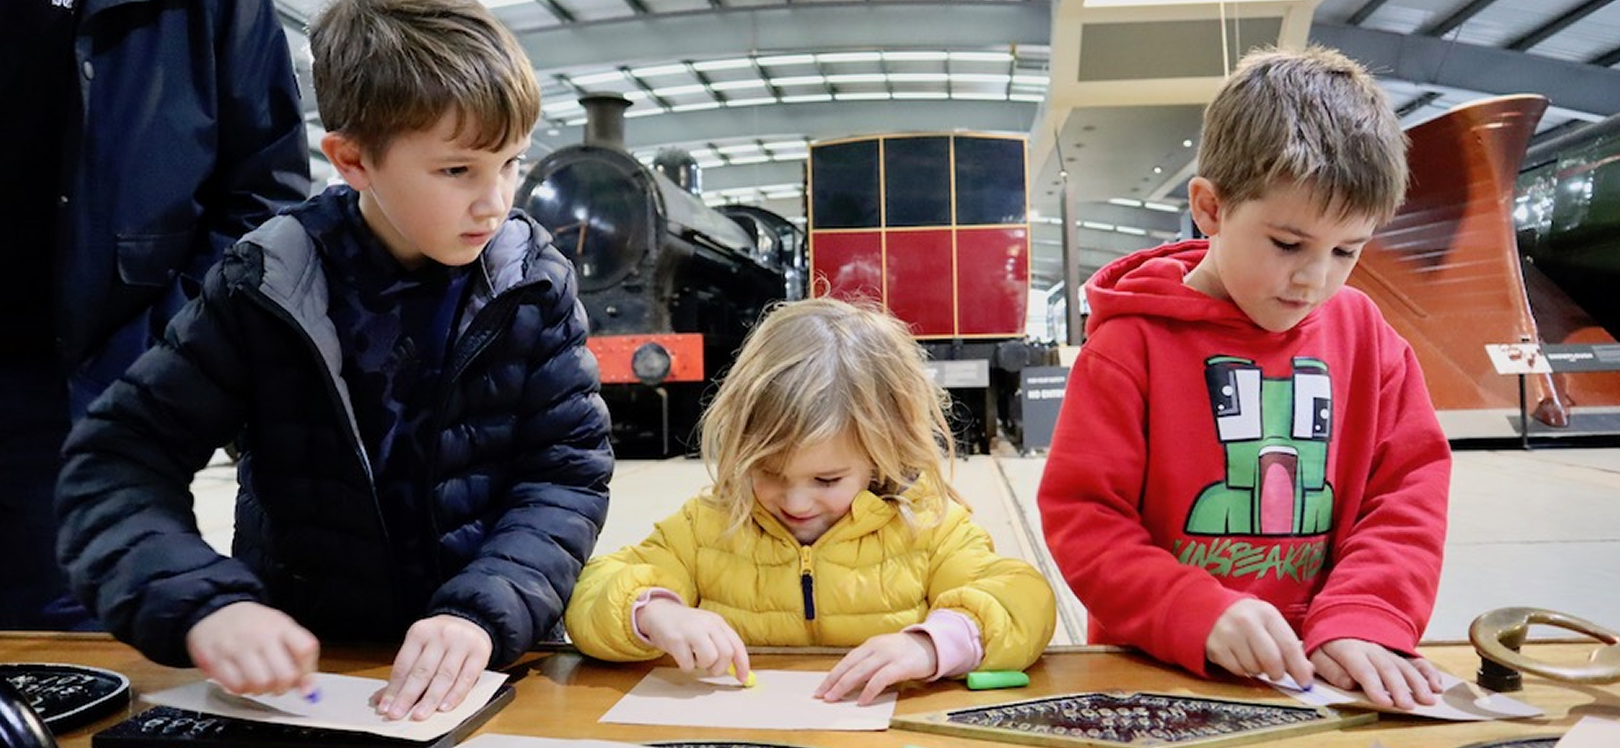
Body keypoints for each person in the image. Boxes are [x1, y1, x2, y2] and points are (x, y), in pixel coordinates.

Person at [55, 0, 612, 722]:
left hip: (485, 665)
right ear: (352, 160)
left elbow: (565, 475)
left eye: (511, 162)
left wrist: (483, 610)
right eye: (457, 169)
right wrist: (203, 602)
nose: (496, 202)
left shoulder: (534, 283)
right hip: (305, 679)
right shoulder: (266, 283)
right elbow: (115, 463)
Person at [1036, 46, 1452, 710]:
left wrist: (1364, 616)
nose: (1314, 279)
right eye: (1288, 244)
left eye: (1347, 250)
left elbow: (1406, 490)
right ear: (1209, 208)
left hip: (1327, 677)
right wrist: (1191, 610)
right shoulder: (1130, 344)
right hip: (1160, 674)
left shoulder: (1367, 337)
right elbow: (1085, 516)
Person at [565, 297, 1055, 705]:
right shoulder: (709, 525)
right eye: (769, 472)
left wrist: (934, 645)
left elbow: (1022, 600)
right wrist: (652, 612)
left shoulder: (928, 527)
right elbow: (592, 592)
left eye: (826, 479)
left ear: (881, 454)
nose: (796, 500)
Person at [0, 0, 309, 630]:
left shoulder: (214, 12)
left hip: (100, 375)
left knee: (72, 651)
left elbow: (264, 194)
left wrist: (166, 343)